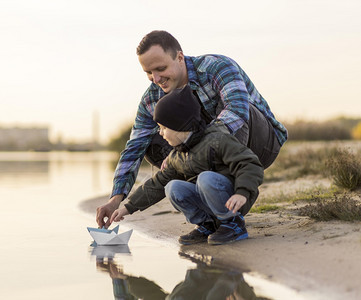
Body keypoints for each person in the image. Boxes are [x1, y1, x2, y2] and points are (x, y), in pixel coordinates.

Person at [96, 30, 287, 229]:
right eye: (148, 73)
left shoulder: (217, 67)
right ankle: (207, 213)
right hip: (210, 157)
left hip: (260, 143)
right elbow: (134, 147)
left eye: (161, 68)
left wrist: (195, 148)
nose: (156, 78)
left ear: (179, 57)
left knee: (236, 109)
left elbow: (237, 111)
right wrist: (115, 199)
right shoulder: (151, 98)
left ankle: (232, 211)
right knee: (152, 142)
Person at [109, 85, 263, 245]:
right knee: (172, 187)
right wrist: (127, 208)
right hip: (209, 200)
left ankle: (233, 224)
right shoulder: (177, 156)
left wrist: (242, 193)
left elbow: (250, 163)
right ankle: (207, 225)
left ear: (179, 126)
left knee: (205, 178)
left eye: (163, 128)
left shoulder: (217, 140)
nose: (160, 133)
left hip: (234, 199)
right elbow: (156, 184)